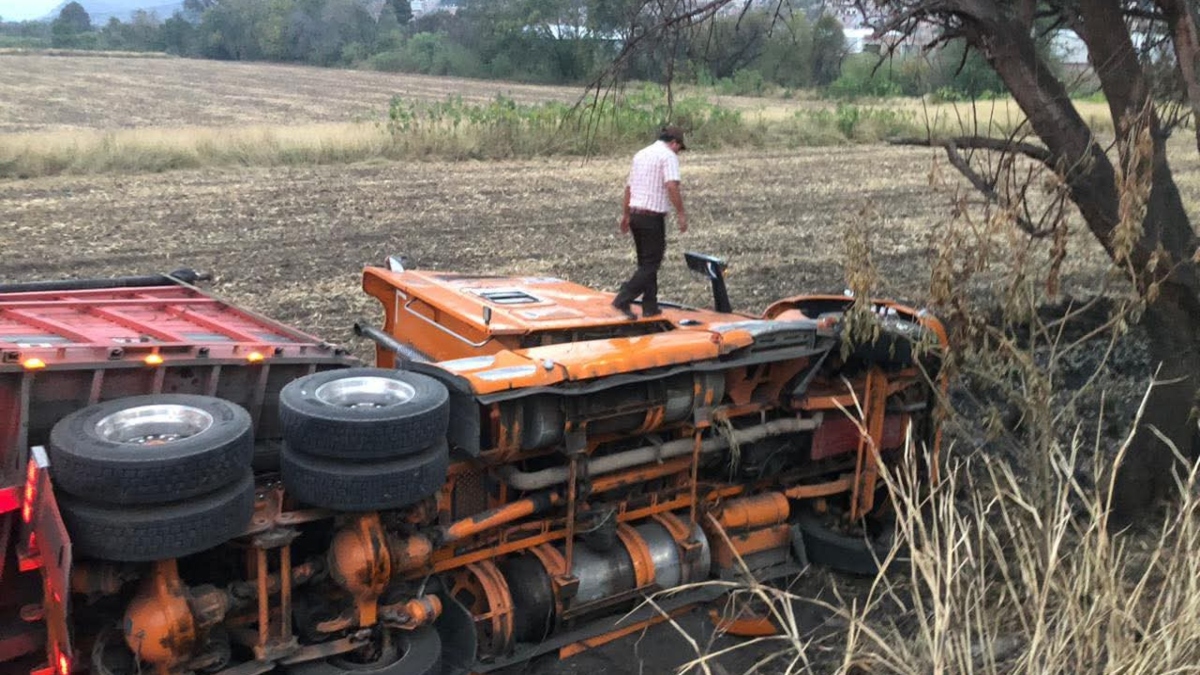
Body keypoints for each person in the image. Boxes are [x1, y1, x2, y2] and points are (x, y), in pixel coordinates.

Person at [611, 125, 688, 320]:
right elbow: (671, 185)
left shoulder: (641, 154)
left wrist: (626, 214)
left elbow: (629, 187)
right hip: (652, 216)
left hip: (636, 214)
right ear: (674, 143)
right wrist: (681, 212)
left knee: (645, 263)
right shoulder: (668, 156)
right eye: (679, 148)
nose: (679, 152)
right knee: (651, 264)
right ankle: (623, 298)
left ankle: (650, 305)